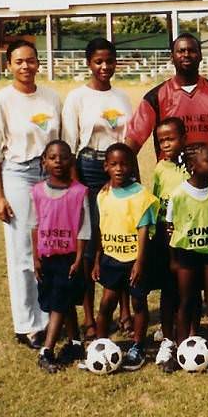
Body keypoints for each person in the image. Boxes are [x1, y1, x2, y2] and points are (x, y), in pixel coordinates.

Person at [0, 40, 61, 348]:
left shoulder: (51, 97)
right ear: (8, 65)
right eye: (18, 62)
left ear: (38, 63)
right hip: (18, 173)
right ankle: (27, 324)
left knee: (50, 248)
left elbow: (61, 142)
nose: (25, 66)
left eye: (30, 60)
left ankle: (48, 317)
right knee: (22, 252)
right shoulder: (2, 100)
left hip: (50, 175)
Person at [61, 37, 133, 341]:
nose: (105, 67)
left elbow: (127, 139)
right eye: (98, 61)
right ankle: (90, 318)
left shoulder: (123, 96)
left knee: (123, 237)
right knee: (91, 245)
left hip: (119, 167)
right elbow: (70, 143)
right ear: (88, 63)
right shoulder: (77, 98)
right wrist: (77, 184)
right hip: (89, 167)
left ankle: (125, 311)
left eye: (110, 61)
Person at [125, 33, 208, 158]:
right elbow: (134, 139)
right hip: (172, 174)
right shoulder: (155, 97)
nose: (186, 55)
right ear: (172, 57)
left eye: (192, 50)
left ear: (200, 56)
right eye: (181, 51)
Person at [93, 143, 159, 370]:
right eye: (114, 164)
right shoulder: (103, 194)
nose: (119, 169)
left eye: (124, 164)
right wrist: (97, 259)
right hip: (111, 258)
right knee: (106, 303)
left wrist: (139, 263)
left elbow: (143, 232)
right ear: (106, 167)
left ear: (132, 167)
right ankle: (100, 344)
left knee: (138, 303)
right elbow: (101, 228)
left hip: (134, 260)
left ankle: (137, 346)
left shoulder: (141, 196)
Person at [165, 143, 208, 375]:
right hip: (186, 255)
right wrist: (173, 259)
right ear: (193, 166)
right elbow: (170, 226)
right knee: (186, 301)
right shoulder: (179, 194)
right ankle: (181, 348)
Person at [31, 140, 90, 372]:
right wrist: (35, 257)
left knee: (60, 300)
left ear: (71, 160)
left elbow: (84, 229)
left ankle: (46, 351)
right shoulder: (37, 192)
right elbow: (34, 225)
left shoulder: (79, 192)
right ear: (44, 161)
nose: (58, 162)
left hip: (69, 258)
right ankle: (75, 343)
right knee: (60, 301)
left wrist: (79, 258)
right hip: (47, 257)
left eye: (63, 157)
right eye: (52, 157)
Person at [150, 117, 189, 371]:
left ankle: (188, 338)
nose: (166, 144)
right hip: (165, 237)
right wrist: (155, 233)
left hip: (189, 236)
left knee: (189, 290)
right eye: (161, 140)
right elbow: (155, 202)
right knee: (168, 289)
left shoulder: (193, 166)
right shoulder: (159, 169)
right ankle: (167, 339)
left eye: (171, 138)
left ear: (183, 138)